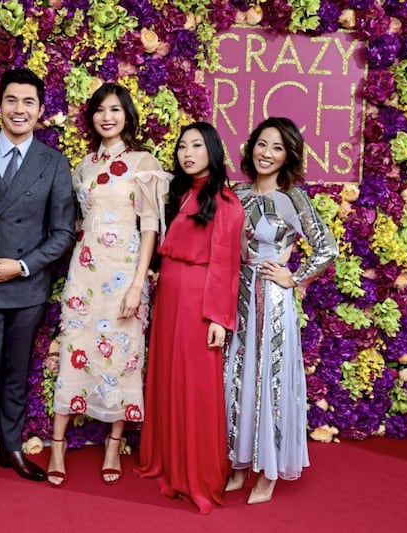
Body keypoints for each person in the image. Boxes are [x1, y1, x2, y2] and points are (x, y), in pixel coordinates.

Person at [0, 68, 76, 504]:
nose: (19, 109)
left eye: (28, 102)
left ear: (41, 110)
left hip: (27, 287)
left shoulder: (53, 162)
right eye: (12, 100)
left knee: (15, 377)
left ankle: (10, 448)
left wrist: (23, 266)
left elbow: (63, 232)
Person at [47, 83, 171, 487]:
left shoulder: (143, 163)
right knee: (74, 349)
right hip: (85, 272)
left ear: (127, 114)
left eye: (115, 109)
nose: (107, 117)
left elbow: (150, 226)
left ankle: (114, 443)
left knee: (123, 354)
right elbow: (79, 223)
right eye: (100, 110)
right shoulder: (82, 166)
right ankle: (57, 444)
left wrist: (137, 284)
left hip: (125, 273)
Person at [224, 117, 338, 504]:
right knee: (236, 374)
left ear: (287, 156)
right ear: (250, 146)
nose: (266, 153)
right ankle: (239, 463)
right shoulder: (235, 193)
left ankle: (268, 472)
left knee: (269, 377)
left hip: (272, 299)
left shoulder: (293, 198)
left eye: (277, 148)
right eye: (261, 144)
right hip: (237, 295)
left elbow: (326, 247)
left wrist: (295, 277)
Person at [135, 122, 244, 514]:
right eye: (182, 146)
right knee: (168, 376)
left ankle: (197, 475)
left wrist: (218, 318)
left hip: (200, 301)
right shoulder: (180, 193)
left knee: (195, 384)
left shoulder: (225, 201)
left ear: (212, 151)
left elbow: (226, 265)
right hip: (170, 296)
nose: (187, 153)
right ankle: (167, 460)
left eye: (196, 145)